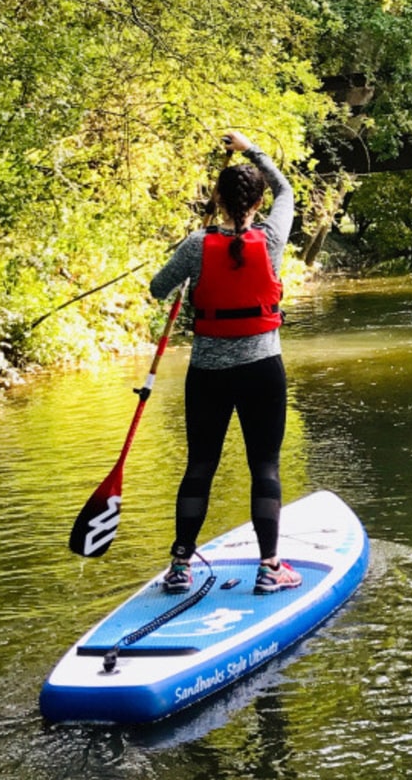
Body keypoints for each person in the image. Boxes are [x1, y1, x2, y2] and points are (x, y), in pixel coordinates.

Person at [149, 131, 301, 596]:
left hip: (208, 373)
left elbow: (158, 288)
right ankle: (270, 567)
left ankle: (179, 566)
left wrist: (189, 271)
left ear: (216, 197)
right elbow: (287, 190)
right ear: (257, 201)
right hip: (262, 369)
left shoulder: (198, 243)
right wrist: (249, 147)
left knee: (200, 464)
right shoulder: (272, 236)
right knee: (265, 467)